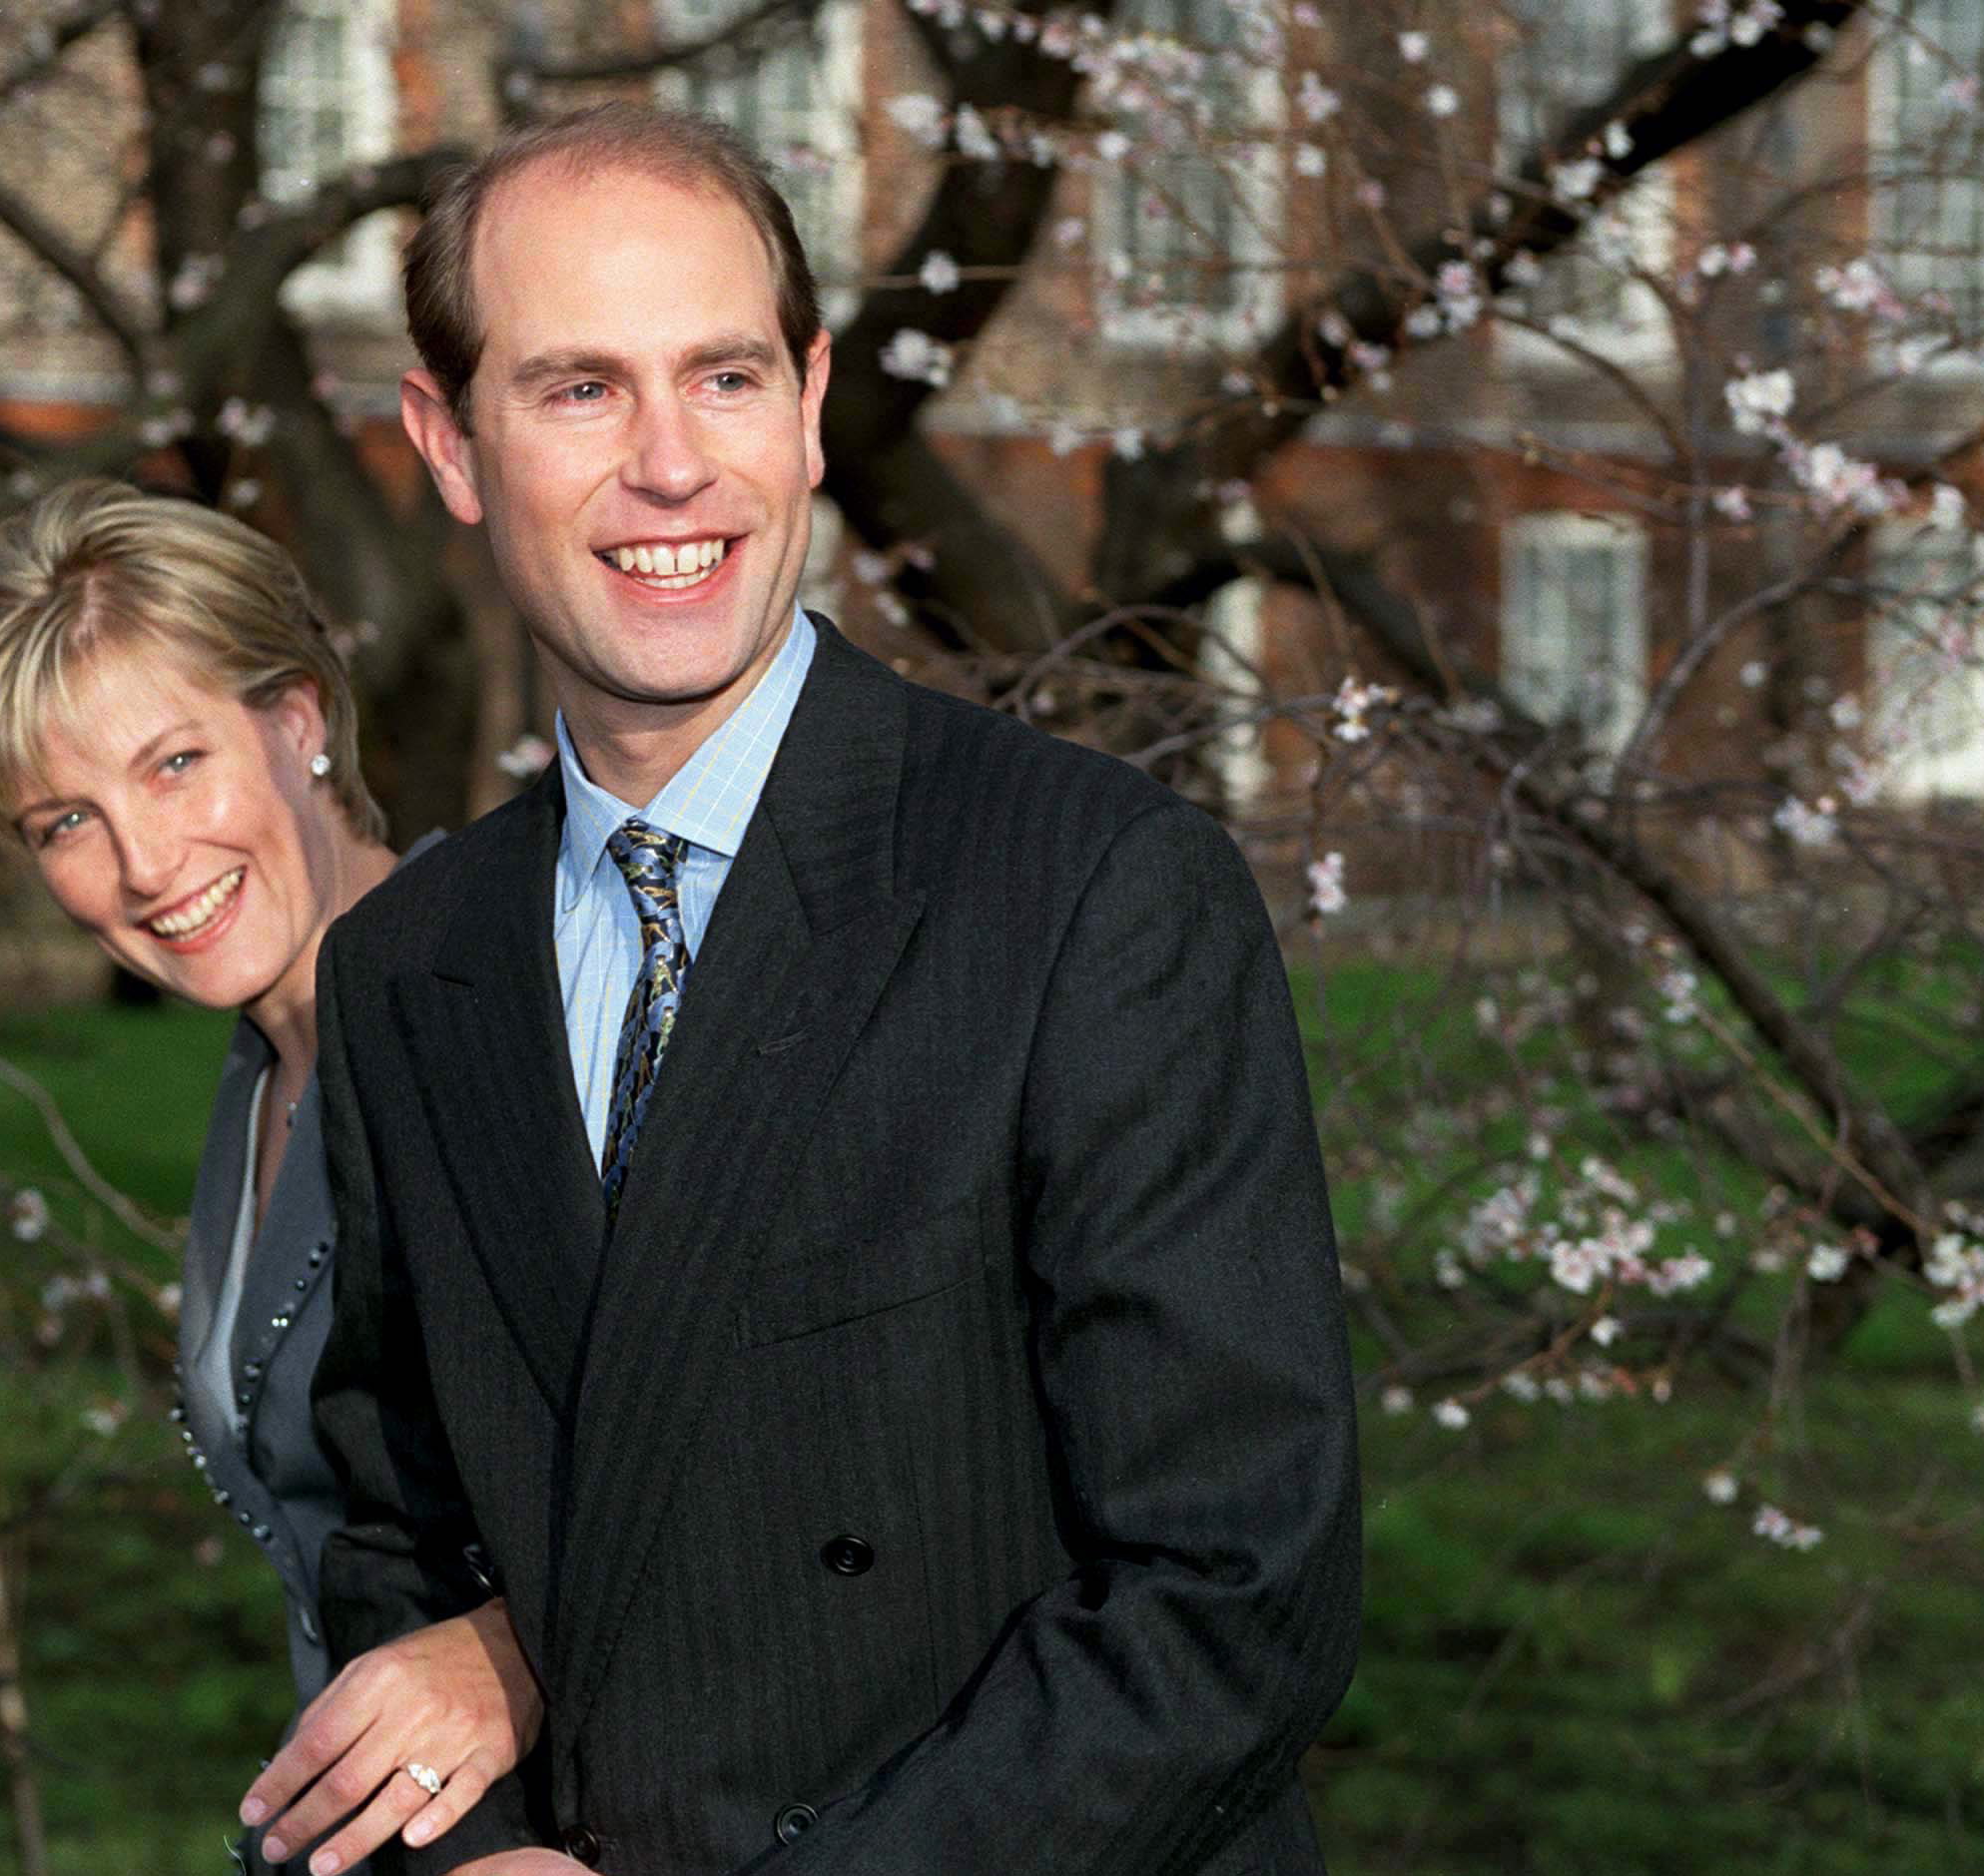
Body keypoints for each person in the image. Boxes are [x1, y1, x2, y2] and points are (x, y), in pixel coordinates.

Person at [253, 103, 1362, 1876]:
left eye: (723, 377)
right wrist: (470, 1854)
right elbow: (404, 1529)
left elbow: (1234, 1590)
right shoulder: (410, 964)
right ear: (446, 442)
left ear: (813, 400)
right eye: (578, 389)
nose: (671, 466)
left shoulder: (1082, 888)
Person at [0, 482, 542, 1874]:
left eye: (175, 763)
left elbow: (741, 1460)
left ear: (298, 720)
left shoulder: (506, 1007)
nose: (143, 863)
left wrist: (516, 1650)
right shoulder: (264, 1071)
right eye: (62, 822)